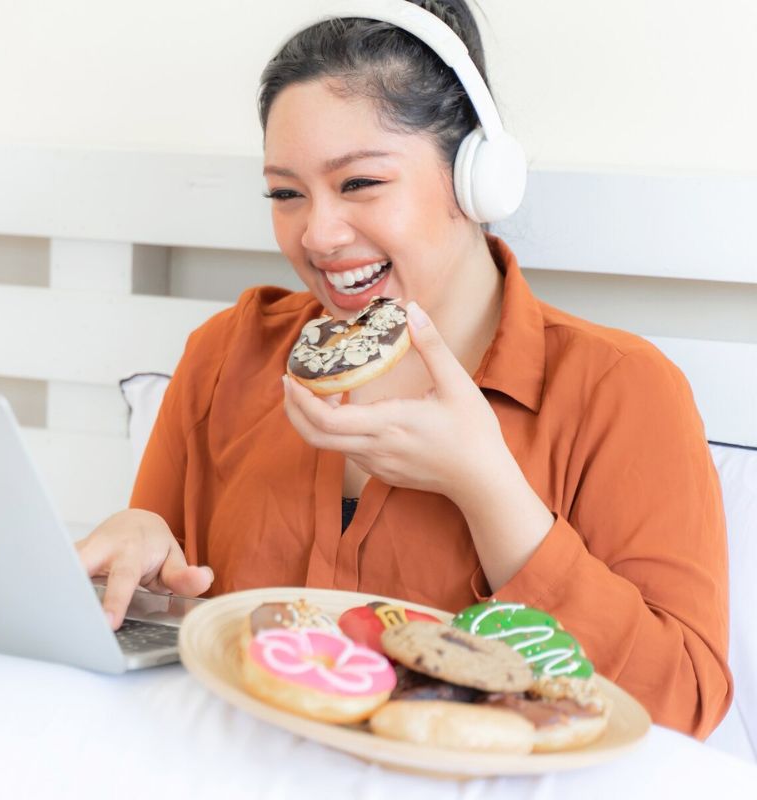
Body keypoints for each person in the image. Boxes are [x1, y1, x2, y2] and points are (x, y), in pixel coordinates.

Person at [75, 0, 731, 738]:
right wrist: (137, 553)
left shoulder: (622, 391)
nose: (317, 235)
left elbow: (681, 711)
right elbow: (165, 633)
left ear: (478, 177)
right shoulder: (228, 354)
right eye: (286, 194)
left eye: (359, 183)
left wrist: (488, 489)